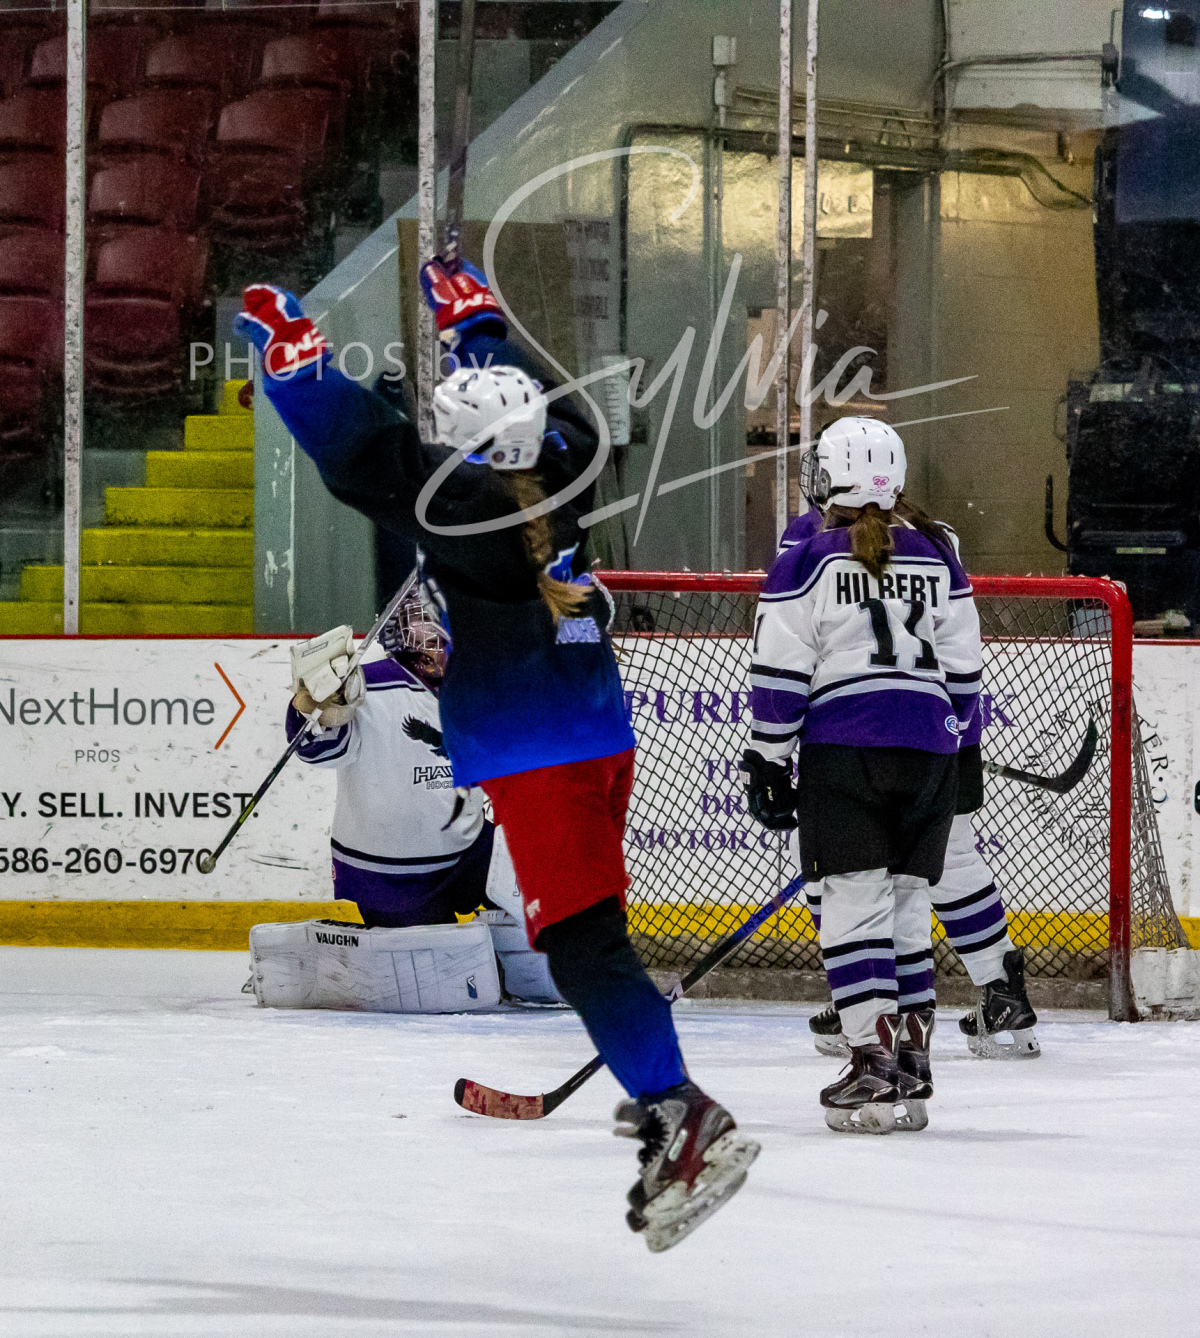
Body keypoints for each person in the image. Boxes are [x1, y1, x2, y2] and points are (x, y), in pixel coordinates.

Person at [233, 263, 759, 1251]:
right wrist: (477, 323)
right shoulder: (569, 460)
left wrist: (298, 363)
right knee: (592, 938)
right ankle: (663, 1095)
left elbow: (364, 456)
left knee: (585, 948)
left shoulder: (461, 511)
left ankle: (680, 1117)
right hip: (595, 728)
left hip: (538, 752)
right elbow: (544, 408)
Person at [742, 416, 983, 1134]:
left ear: (830, 479)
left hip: (846, 749)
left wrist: (767, 759)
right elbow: (964, 666)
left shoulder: (807, 559)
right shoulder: (938, 553)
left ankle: (869, 1062)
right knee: (906, 907)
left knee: (852, 908)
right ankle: (911, 1061)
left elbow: (781, 672)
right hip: (930, 751)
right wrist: (963, 747)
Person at [778, 452, 1039, 1060]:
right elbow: (959, 646)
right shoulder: (935, 537)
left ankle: (865, 999)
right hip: (939, 728)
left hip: (851, 734)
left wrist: (774, 746)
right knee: (946, 858)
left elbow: (794, 644)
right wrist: (963, 736)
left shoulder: (808, 538)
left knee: (847, 871)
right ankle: (1000, 989)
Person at [249, 585, 562, 1010]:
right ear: (403, 635)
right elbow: (318, 750)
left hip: (468, 852)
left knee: (533, 862)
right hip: (392, 878)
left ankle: (548, 968)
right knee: (438, 978)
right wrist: (314, 709)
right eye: (430, 626)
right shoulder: (363, 686)